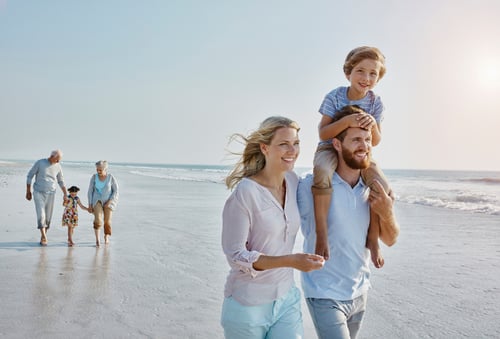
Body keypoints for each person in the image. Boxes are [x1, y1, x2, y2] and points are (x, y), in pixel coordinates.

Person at [299, 105, 400, 339]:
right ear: (337, 144)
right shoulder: (309, 186)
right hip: (324, 293)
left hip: (360, 292)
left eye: (366, 139)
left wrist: (386, 211)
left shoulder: (373, 189)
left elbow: (392, 239)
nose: (363, 146)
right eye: (355, 139)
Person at [221, 116, 325, 338]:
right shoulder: (246, 192)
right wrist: (290, 261)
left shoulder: (294, 181)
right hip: (248, 304)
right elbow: (236, 255)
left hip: (287, 299)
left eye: (296, 143)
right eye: (283, 144)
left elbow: (328, 182)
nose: (292, 150)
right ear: (264, 148)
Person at [313, 46, 392, 268]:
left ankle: (373, 239)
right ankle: (322, 233)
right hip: (330, 148)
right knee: (321, 174)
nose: (366, 78)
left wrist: (371, 122)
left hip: (360, 152)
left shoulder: (376, 103)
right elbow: (323, 133)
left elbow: (375, 140)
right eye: (360, 71)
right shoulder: (335, 96)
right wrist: (347, 122)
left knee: (381, 187)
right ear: (348, 72)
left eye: (373, 73)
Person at [26, 150, 68, 246]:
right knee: (41, 215)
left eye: (59, 160)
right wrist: (28, 191)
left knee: (48, 218)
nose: (58, 162)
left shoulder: (58, 166)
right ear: (52, 156)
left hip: (51, 193)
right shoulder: (40, 163)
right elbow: (29, 176)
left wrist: (65, 194)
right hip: (38, 192)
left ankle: (43, 235)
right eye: (57, 159)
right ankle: (44, 236)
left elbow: (61, 181)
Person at [87, 160, 119, 247]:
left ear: (105, 169)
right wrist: (89, 204)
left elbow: (116, 191)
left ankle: (106, 236)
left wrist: (109, 201)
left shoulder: (111, 178)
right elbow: (90, 191)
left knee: (107, 221)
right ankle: (97, 240)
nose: (98, 171)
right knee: (98, 220)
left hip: (109, 201)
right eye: (97, 169)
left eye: (100, 170)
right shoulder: (94, 177)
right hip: (96, 200)